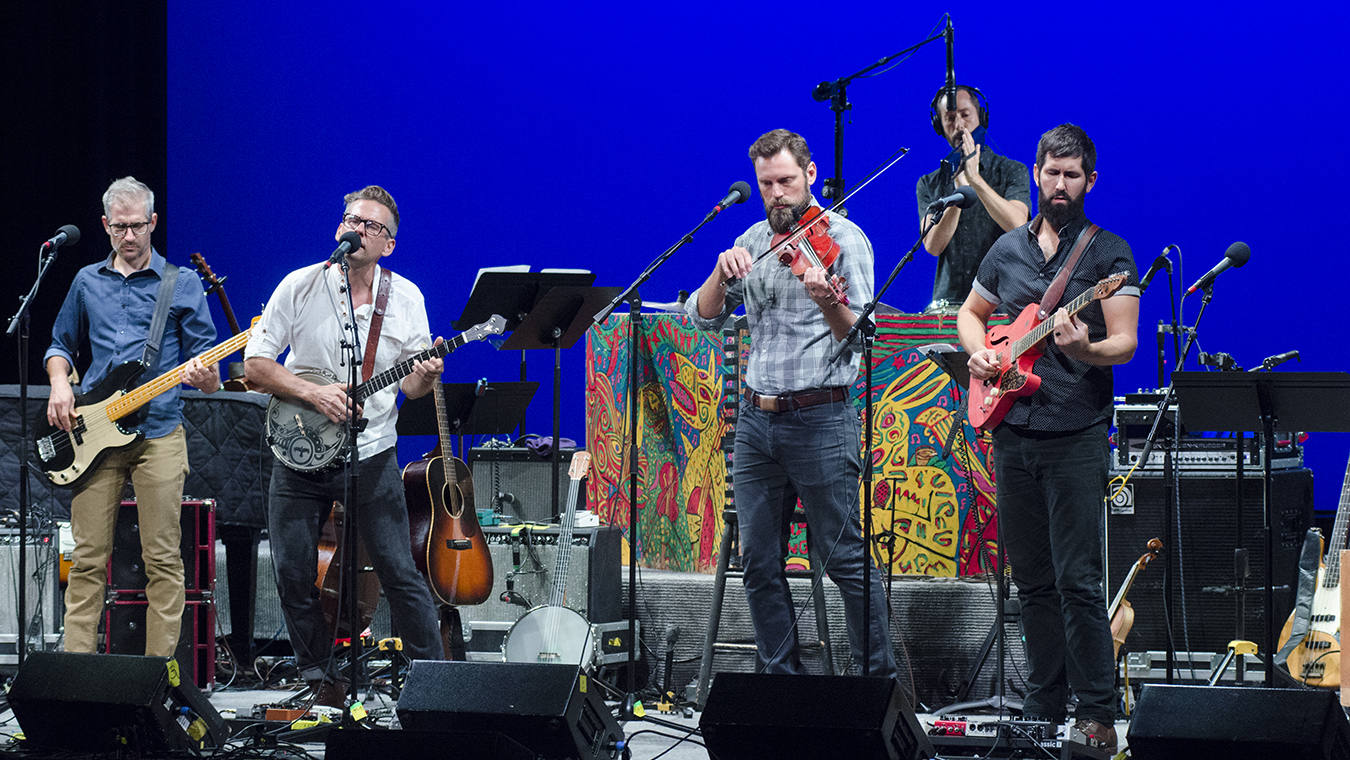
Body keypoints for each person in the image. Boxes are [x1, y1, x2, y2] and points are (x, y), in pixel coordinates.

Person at [686, 129, 896, 678]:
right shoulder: (753, 241)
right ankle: (783, 684)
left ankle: (876, 686)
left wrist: (829, 304)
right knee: (758, 563)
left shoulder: (844, 240)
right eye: (766, 184)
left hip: (821, 416)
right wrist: (717, 271)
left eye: (786, 181)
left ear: (810, 174)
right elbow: (701, 316)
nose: (777, 193)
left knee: (845, 560)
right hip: (757, 421)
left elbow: (863, 338)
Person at [956, 124, 1138, 750]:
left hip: (1075, 432)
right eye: (1052, 173)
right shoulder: (1006, 250)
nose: (1061, 185)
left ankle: (1097, 713)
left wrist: (1086, 348)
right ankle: (1043, 700)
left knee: (1078, 581)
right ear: (1035, 174)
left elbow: (1126, 341)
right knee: (1030, 579)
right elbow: (970, 313)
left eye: (1073, 175)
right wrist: (980, 354)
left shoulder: (1108, 253)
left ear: (1091, 180)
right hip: (1012, 430)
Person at [244, 185, 442, 707]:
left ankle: (438, 688)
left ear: (389, 245)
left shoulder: (407, 298)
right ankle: (321, 679)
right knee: (291, 574)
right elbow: (256, 365)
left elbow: (412, 389)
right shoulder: (300, 285)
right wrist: (312, 392)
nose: (358, 229)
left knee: (400, 573)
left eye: (372, 226)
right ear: (339, 228)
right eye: (351, 219)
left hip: (371, 453)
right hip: (299, 453)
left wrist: (425, 376)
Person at [46, 176, 221, 658]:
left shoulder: (181, 283)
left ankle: (155, 679)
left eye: (138, 226)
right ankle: (77, 672)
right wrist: (61, 382)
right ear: (105, 225)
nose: (129, 236)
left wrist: (205, 377)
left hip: (159, 433)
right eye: (119, 227)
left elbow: (209, 367)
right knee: (87, 561)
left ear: (153, 223)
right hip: (95, 434)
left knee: (162, 560)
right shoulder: (86, 281)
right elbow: (60, 345)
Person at [917, 85, 1030, 312]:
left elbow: (1018, 225)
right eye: (949, 118)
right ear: (938, 125)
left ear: (981, 117)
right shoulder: (929, 183)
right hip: (948, 308)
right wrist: (960, 190)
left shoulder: (1012, 170)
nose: (959, 125)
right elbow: (932, 245)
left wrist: (975, 180)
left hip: (1002, 306)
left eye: (965, 115)